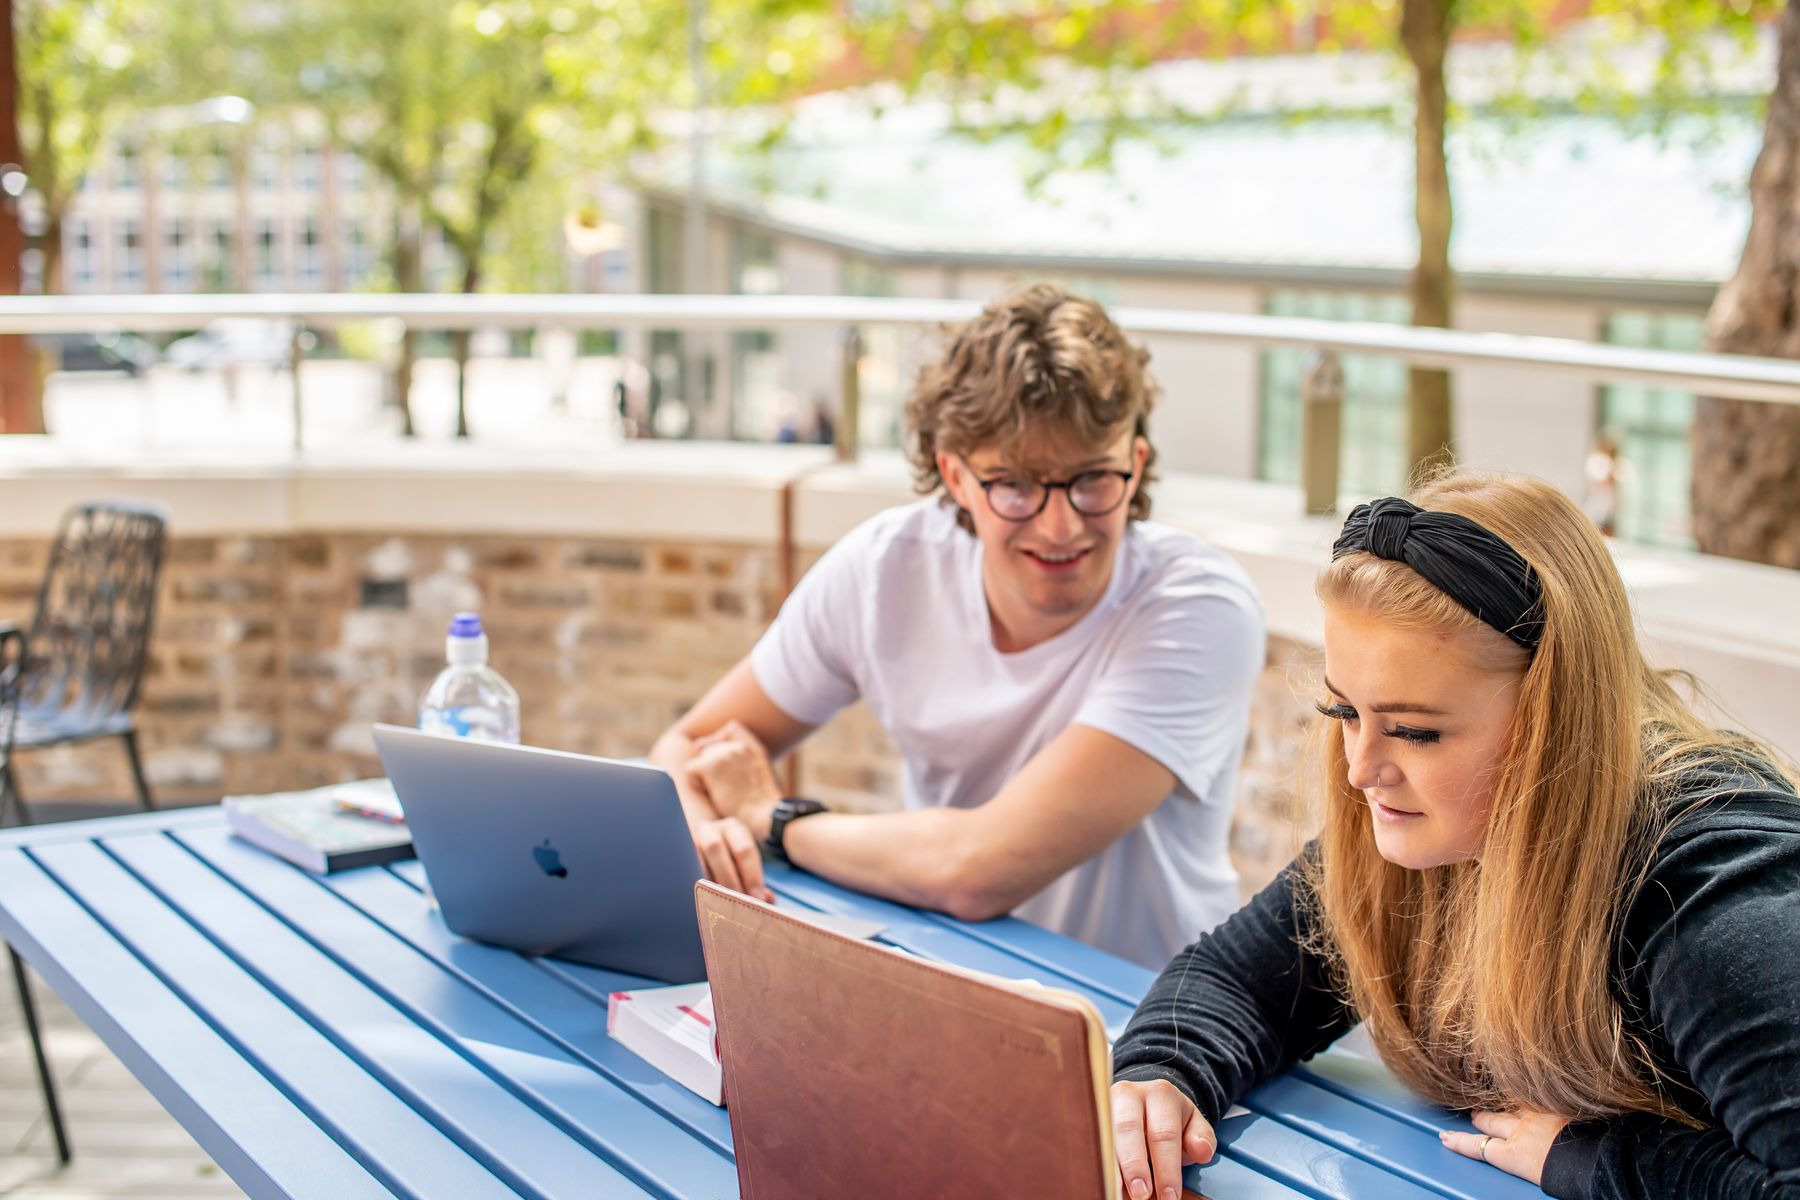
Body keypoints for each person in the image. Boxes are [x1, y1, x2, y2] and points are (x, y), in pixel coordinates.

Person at [1109, 473, 1800, 1200]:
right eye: (1343, 711)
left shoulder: (1714, 889)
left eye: (1415, 731)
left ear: (1554, 717)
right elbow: (1241, 981)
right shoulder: (1433, 826)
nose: (1361, 770)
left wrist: (1599, 1160)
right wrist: (1162, 1072)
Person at [648, 283, 1265, 968]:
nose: (1060, 526)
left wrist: (774, 822)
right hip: (952, 977)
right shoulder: (885, 568)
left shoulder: (1197, 606)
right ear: (956, 475)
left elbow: (979, 869)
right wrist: (711, 837)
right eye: (1016, 485)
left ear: (1136, 461)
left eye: (1093, 479)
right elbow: (687, 746)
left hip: (1147, 1026)